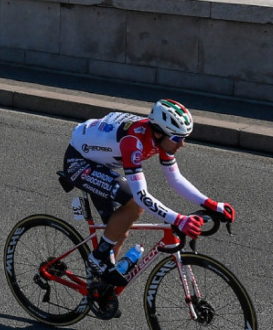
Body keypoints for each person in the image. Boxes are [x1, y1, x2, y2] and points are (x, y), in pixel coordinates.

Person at [63, 100, 236, 314]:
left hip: (101, 161)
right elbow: (141, 195)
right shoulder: (133, 141)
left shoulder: (160, 138)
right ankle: (98, 258)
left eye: (184, 138)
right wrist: (179, 219)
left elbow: (175, 179)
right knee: (134, 205)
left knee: (120, 228)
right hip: (80, 162)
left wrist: (211, 204)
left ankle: (101, 286)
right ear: (158, 133)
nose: (182, 144)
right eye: (178, 139)